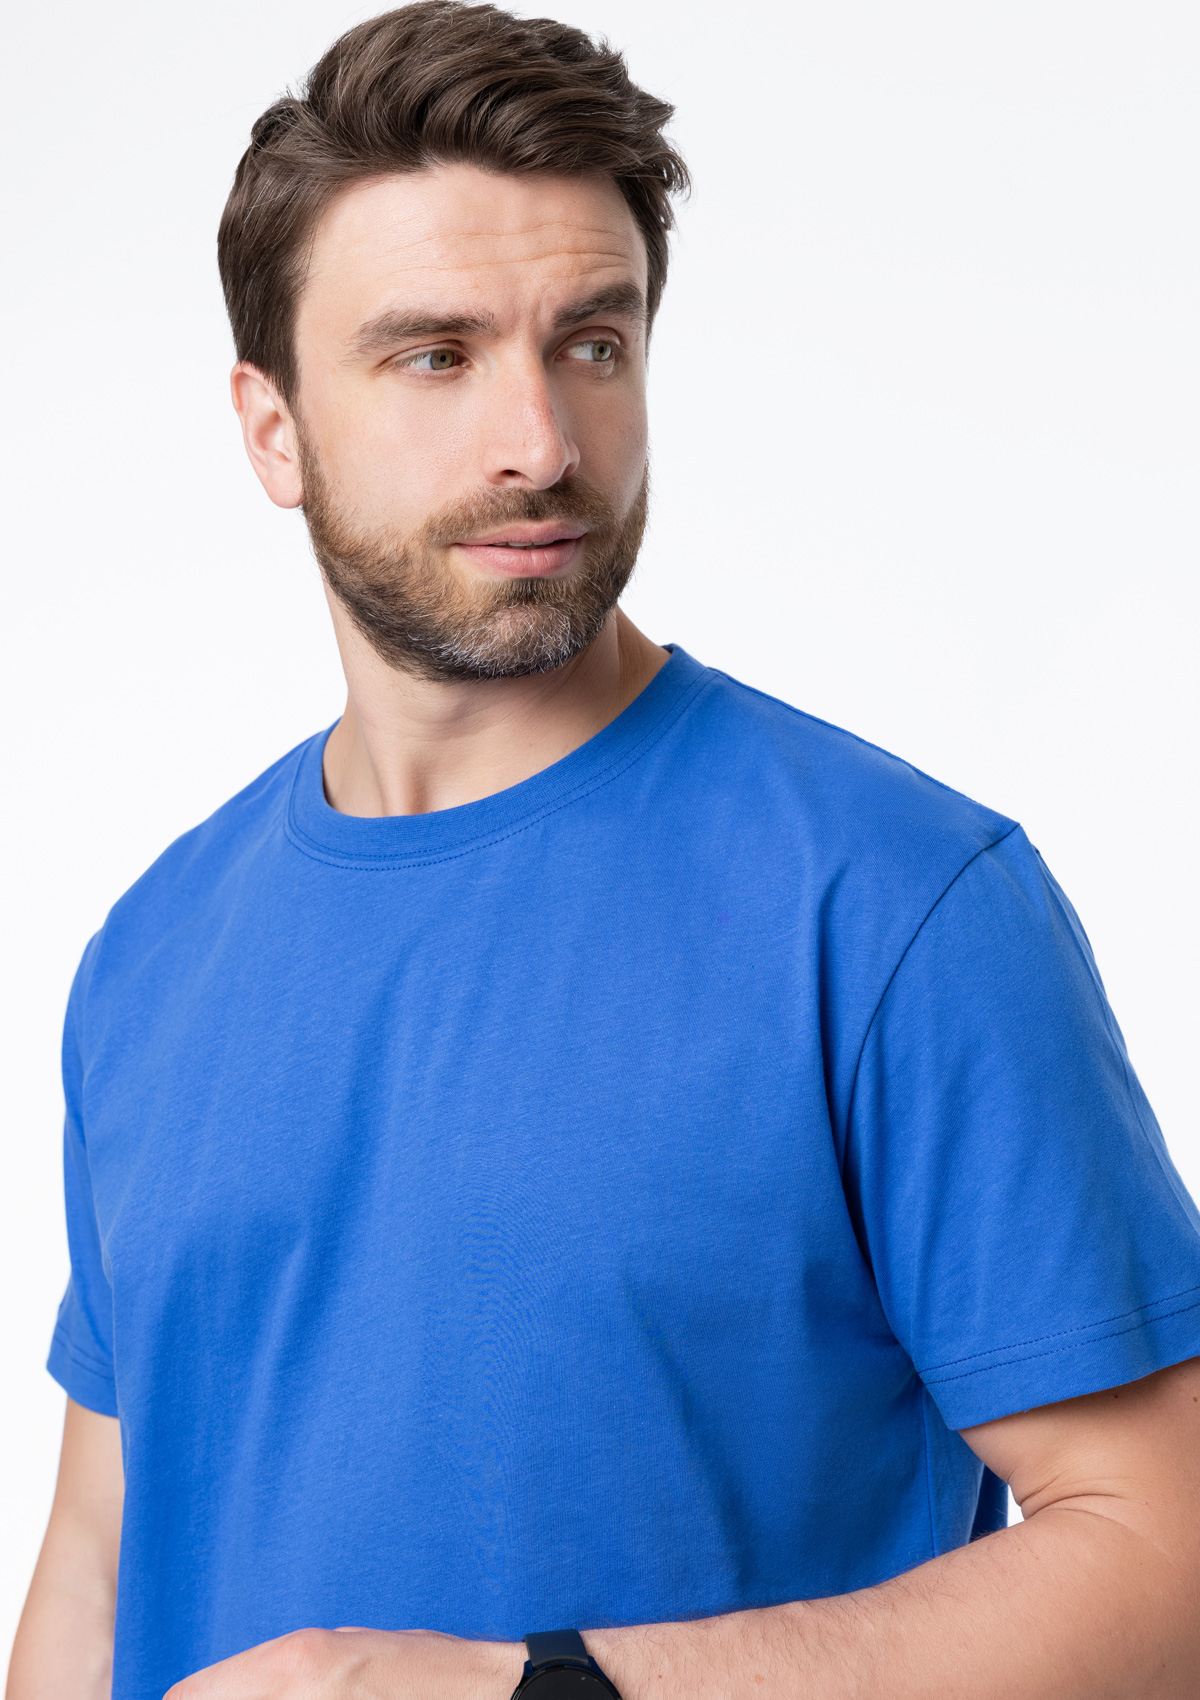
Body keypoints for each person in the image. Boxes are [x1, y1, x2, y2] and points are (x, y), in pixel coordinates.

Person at [8, 4, 1200, 1698]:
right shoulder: (154, 952)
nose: (542, 444)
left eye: (592, 342)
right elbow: (98, 1561)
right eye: (436, 357)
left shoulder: (896, 906)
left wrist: (539, 1688)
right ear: (273, 429)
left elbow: (1166, 1560)